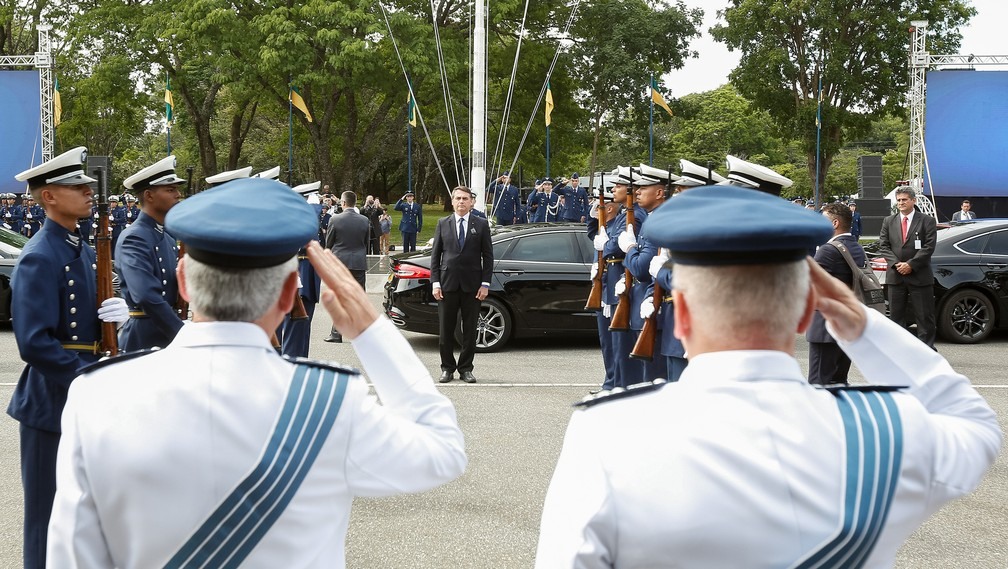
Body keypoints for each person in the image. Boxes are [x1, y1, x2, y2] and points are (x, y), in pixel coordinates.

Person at [535, 185, 1001, 568]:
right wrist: (857, 322)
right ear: (804, 315)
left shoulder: (609, 434)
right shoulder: (886, 428)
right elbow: (975, 425)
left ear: (682, 318)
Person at [46, 178, 466, 568]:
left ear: (184, 283)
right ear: (288, 294)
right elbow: (442, 452)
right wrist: (372, 332)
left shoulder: (99, 396)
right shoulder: (331, 401)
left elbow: (73, 555)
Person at [8, 147, 129, 569]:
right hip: (51, 400)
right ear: (49, 197)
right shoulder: (41, 254)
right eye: (77, 187)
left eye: (88, 186)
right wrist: (88, 376)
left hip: (83, 388)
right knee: (47, 513)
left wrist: (116, 315)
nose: (88, 192)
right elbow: (34, 342)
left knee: (87, 510)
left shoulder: (77, 245)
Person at [116, 155, 186, 352]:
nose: (178, 195)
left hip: (166, 335)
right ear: (149, 195)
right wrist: (181, 333)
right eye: (170, 190)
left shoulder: (167, 237)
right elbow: (146, 296)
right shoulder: (135, 238)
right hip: (144, 339)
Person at [430, 186, 493, 383]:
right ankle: (447, 368)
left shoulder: (481, 224)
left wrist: (485, 284)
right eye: (458, 198)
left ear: (471, 202)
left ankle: (466, 368)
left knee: (470, 330)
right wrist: (435, 283)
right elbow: (435, 256)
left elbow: (488, 256)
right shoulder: (443, 223)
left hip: (472, 286)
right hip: (447, 285)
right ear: (452, 201)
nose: (461, 202)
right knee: (446, 330)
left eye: (465, 198)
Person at [806, 202, 866, 385]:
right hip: (846, 325)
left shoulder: (828, 250)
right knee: (838, 383)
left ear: (834, 224)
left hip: (825, 329)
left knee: (818, 384)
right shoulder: (856, 248)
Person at [879, 188, 937, 348]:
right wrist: (897, 264)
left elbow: (929, 247)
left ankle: (927, 349)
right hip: (896, 276)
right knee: (896, 317)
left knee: (924, 316)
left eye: (904, 199)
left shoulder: (927, 221)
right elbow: (883, 246)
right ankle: (899, 350)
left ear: (913, 200)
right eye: (898, 200)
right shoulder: (888, 221)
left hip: (919, 275)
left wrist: (911, 264)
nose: (901, 203)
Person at [323, 191, 370, 343]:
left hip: (340, 263)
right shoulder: (364, 220)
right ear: (355, 203)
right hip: (358, 262)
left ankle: (337, 332)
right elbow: (366, 243)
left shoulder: (335, 219)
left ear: (343, 203)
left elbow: (328, 243)